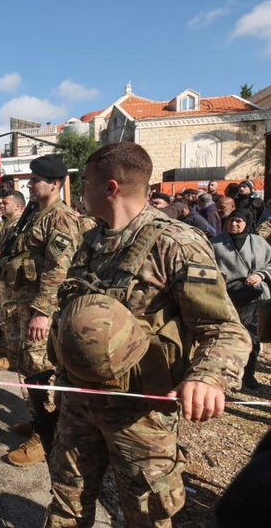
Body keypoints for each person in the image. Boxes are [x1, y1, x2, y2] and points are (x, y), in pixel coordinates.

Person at [44, 142, 251, 527]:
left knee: (146, 516)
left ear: (110, 187)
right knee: (66, 505)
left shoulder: (175, 244)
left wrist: (207, 378)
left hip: (140, 414)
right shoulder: (90, 242)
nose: (80, 193)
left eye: (85, 183)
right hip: (79, 401)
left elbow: (225, 328)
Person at [0, 155, 81, 467]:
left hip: (39, 311)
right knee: (27, 368)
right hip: (21, 308)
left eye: (35, 180)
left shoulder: (60, 218)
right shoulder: (36, 214)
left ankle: (47, 438)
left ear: (54, 184)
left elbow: (59, 269)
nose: (29, 185)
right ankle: (37, 423)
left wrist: (43, 312)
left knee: (40, 370)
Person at [212, 210, 271, 390]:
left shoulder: (259, 242)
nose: (234, 224)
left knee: (253, 339)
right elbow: (208, 265)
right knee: (227, 337)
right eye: (231, 220)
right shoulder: (215, 243)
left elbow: (270, 262)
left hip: (256, 297)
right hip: (229, 297)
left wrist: (260, 275)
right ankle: (225, 375)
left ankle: (249, 375)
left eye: (239, 221)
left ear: (247, 223)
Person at [0, 191, 25, 366]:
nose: (1, 205)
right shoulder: (8, 224)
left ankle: (14, 358)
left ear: (17, 205)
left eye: (5, 203)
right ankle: (11, 347)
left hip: (13, 278)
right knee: (7, 314)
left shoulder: (20, 224)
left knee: (12, 315)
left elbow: (16, 252)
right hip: (5, 276)